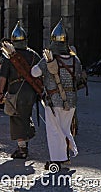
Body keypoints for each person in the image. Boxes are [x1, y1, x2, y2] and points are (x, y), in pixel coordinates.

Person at [31, 20, 82, 171]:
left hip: (54, 101)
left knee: (54, 131)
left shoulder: (48, 60)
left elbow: (34, 73)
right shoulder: (75, 59)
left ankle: (57, 160)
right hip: (71, 101)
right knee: (65, 129)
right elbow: (78, 78)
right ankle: (65, 156)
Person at [0, 21, 40, 159]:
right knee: (25, 116)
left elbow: (3, 77)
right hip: (31, 92)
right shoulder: (34, 55)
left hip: (16, 92)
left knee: (17, 118)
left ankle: (22, 149)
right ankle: (25, 143)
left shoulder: (10, 57)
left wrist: (0, 92)